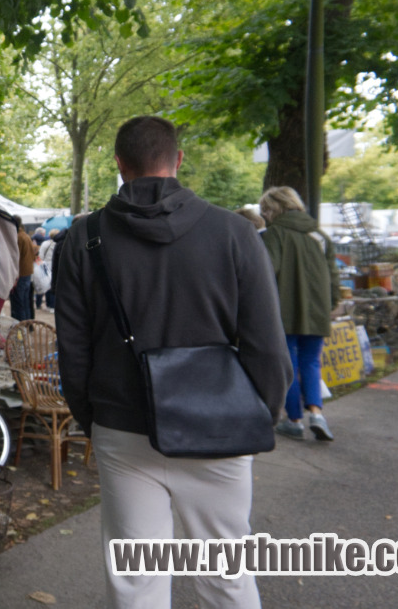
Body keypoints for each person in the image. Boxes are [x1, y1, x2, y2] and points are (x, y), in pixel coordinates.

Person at [55, 116, 291, 609]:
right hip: (219, 426)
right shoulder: (235, 233)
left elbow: (73, 349)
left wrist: (93, 418)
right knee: (227, 575)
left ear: (119, 165)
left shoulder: (83, 238)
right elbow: (267, 346)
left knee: (136, 582)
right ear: (178, 160)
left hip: (122, 425)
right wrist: (258, 416)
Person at [260, 186, 340, 443]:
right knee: (311, 362)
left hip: (284, 312)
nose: (264, 215)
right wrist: (332, 303)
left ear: (274, 209)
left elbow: (266, 273)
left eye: (265, 210)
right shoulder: (320, 235)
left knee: (289, 366)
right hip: (318, 311)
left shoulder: (274, 234)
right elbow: (333, 276)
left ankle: (294, 421)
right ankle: (317, 414)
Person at [10, 216, 37, 321]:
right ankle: (26, 325)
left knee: (19, 303)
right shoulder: (25, 236)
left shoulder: (18, 237)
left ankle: (20, 328)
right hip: (27, 273)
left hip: (20, 274)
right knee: (25, 302)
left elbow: (16, 258)